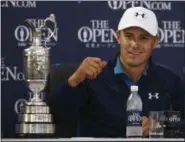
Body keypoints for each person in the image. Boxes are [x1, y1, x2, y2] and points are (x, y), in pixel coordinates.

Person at [47, 6, 184, 137]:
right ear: (118, 37)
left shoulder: (170, 80)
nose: (135, 44)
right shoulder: (93, 76)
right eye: (129, 36)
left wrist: (160, 126)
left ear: (155, 42)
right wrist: (74, 80)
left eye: (144, 38)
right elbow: (54, 116)